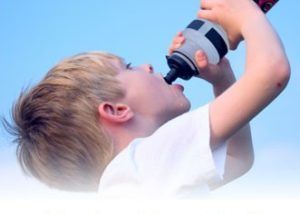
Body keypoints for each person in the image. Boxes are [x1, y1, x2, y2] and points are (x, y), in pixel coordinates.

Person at [3, 0, 290, 198]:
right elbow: (272, 72)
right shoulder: (144, 162)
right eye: (128, 68)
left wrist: (222, 79)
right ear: (115, 110)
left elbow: (237, 159)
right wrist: (248, 15)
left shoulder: (133, 181)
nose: (148, 67)